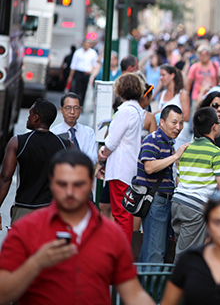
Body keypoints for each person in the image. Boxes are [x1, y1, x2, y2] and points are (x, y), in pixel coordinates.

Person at [0, 150, 155, 305]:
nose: (69, 192)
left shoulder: (112, 234)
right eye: (62, 184)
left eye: (78, 184)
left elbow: (133, 294)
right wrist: (36, 264)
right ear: (51, 183)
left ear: (91, 184)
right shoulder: (25, 230)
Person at [0, 99, 71, 224]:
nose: (28, 117)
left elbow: (5, 178)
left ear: (36, 118)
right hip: (52, 211)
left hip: (24, 209)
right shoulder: (66, 145)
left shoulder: (18, 142)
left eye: (30, 114)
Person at [171, 107, 220, 257]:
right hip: (195, 206)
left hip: (177, 203)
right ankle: (180, 280)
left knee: (181, 247)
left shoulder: (185, 148)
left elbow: (178, 180)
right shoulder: (216, 152)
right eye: (219, 122)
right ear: (214, 127)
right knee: (187, 256)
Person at [98, 73, 148, 243]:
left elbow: (112, 141)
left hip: (120, 169)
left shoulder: (125, 111)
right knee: (124, 212)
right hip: (129, 168)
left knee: (120, 214)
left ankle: (121, 253)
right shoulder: (137, 111)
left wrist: (102, 155)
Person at [137, 105, 188, 264]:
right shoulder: (154, 139)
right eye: (174, 122)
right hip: (157, 202)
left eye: (181, 123)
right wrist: (176, 157)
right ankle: (149, 289)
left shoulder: (167, 142)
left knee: (153, 251)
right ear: (162, 122)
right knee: (156, 253)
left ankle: (146, 286)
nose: (178, 127)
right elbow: (149, 167)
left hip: (164, 201)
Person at [51, 93, 98, 164]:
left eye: (76, 108)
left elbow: (93, 158)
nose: (72, 112)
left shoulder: (89, 132)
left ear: (80, 110)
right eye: (68, 108)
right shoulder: (54, 133)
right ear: (61, 109)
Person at [158, 65, 191, 149]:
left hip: (178, 137)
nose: (161, 78)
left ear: (172, 75)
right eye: (160, 75)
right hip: (163, 135)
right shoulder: (162, 94)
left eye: (163, 75)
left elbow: (186, 117)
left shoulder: (182, 94)